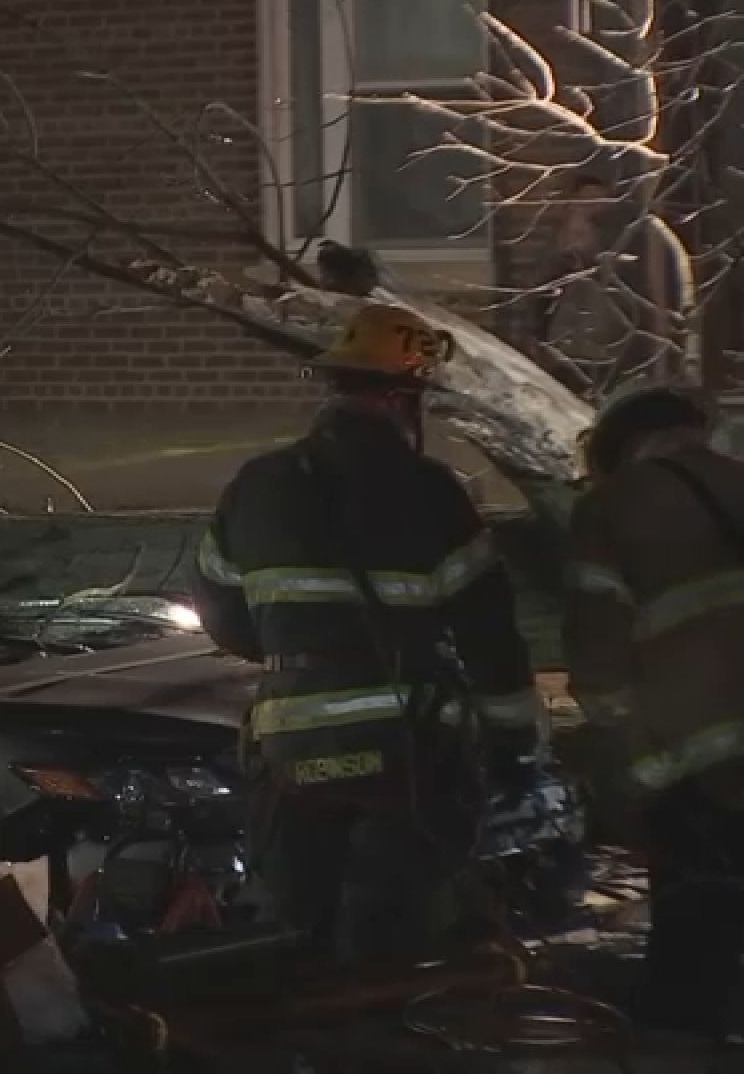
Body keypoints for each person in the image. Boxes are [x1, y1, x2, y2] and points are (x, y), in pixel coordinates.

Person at [188, 303, 545, 968]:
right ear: (401, 398)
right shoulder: (434, 492)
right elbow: (490, 639)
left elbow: (221, 612)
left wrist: (298, 652)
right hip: (407, 751)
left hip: (293, 746)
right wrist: (515, 746)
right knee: (397, 944)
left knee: (298, 935)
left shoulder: (258, 485)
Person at [563, 383, 744, 1044]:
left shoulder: (612, 508)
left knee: (694, 942)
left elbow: (600, 671)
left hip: (702, 768)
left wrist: (628, 770)